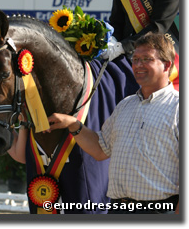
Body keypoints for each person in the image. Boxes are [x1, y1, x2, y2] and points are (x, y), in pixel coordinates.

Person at [48, 33, 179, 214]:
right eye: (136, 59)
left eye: (147, 59)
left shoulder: (180, 108)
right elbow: (101, 149)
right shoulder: (125, 105)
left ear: (167, 65)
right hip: (117, 209)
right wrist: (72, 124)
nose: (138, 65)